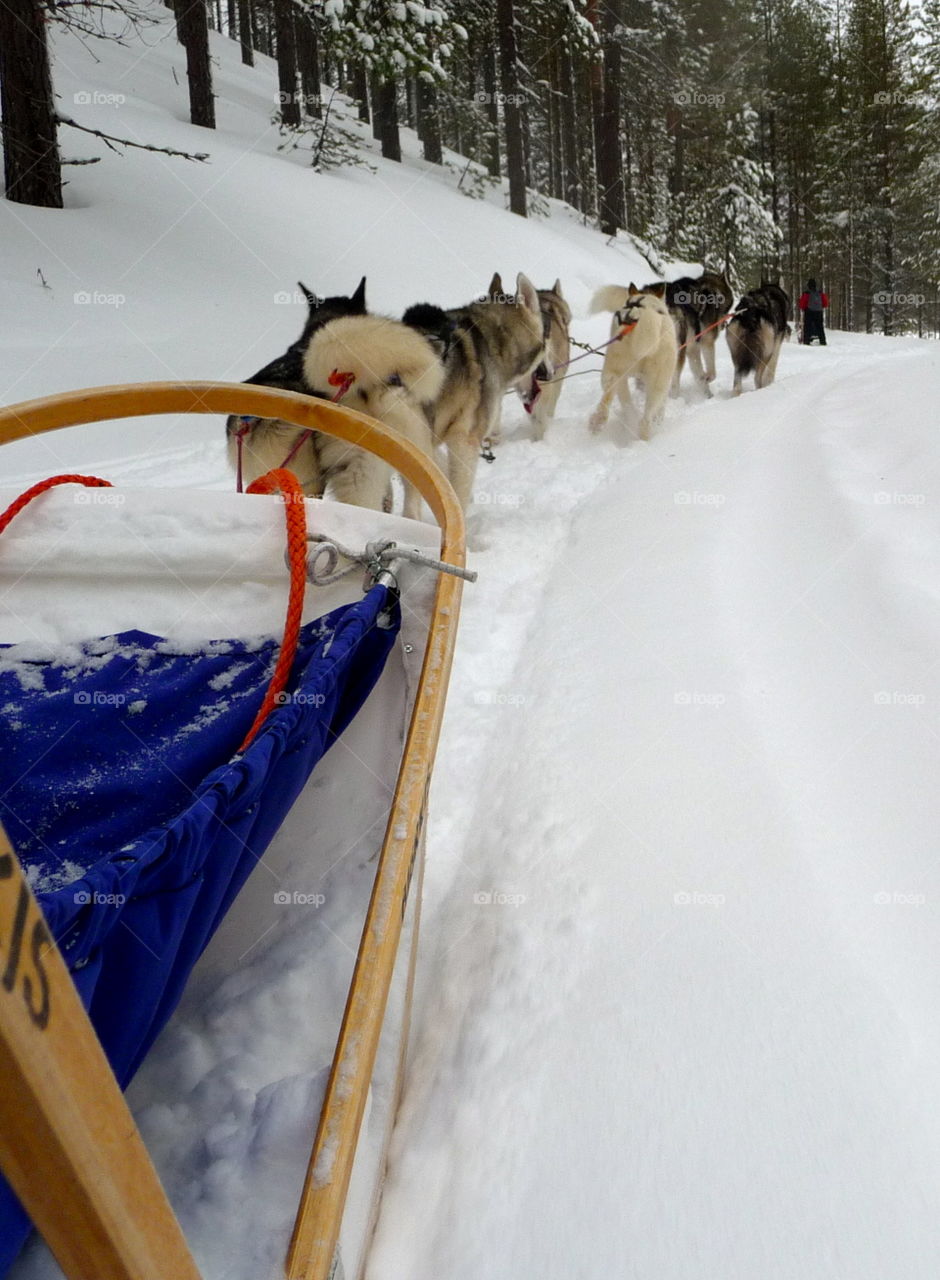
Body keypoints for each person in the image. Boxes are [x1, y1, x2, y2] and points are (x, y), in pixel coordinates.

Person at [798, 278, 828, 345]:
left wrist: (803, 308)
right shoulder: (820, 293)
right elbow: (825, 303)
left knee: (807, 327)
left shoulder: (806, 293)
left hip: (809, 311)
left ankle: (806, 341)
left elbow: (802, 304)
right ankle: (823, 341)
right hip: (819, 312)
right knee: (820, 327)